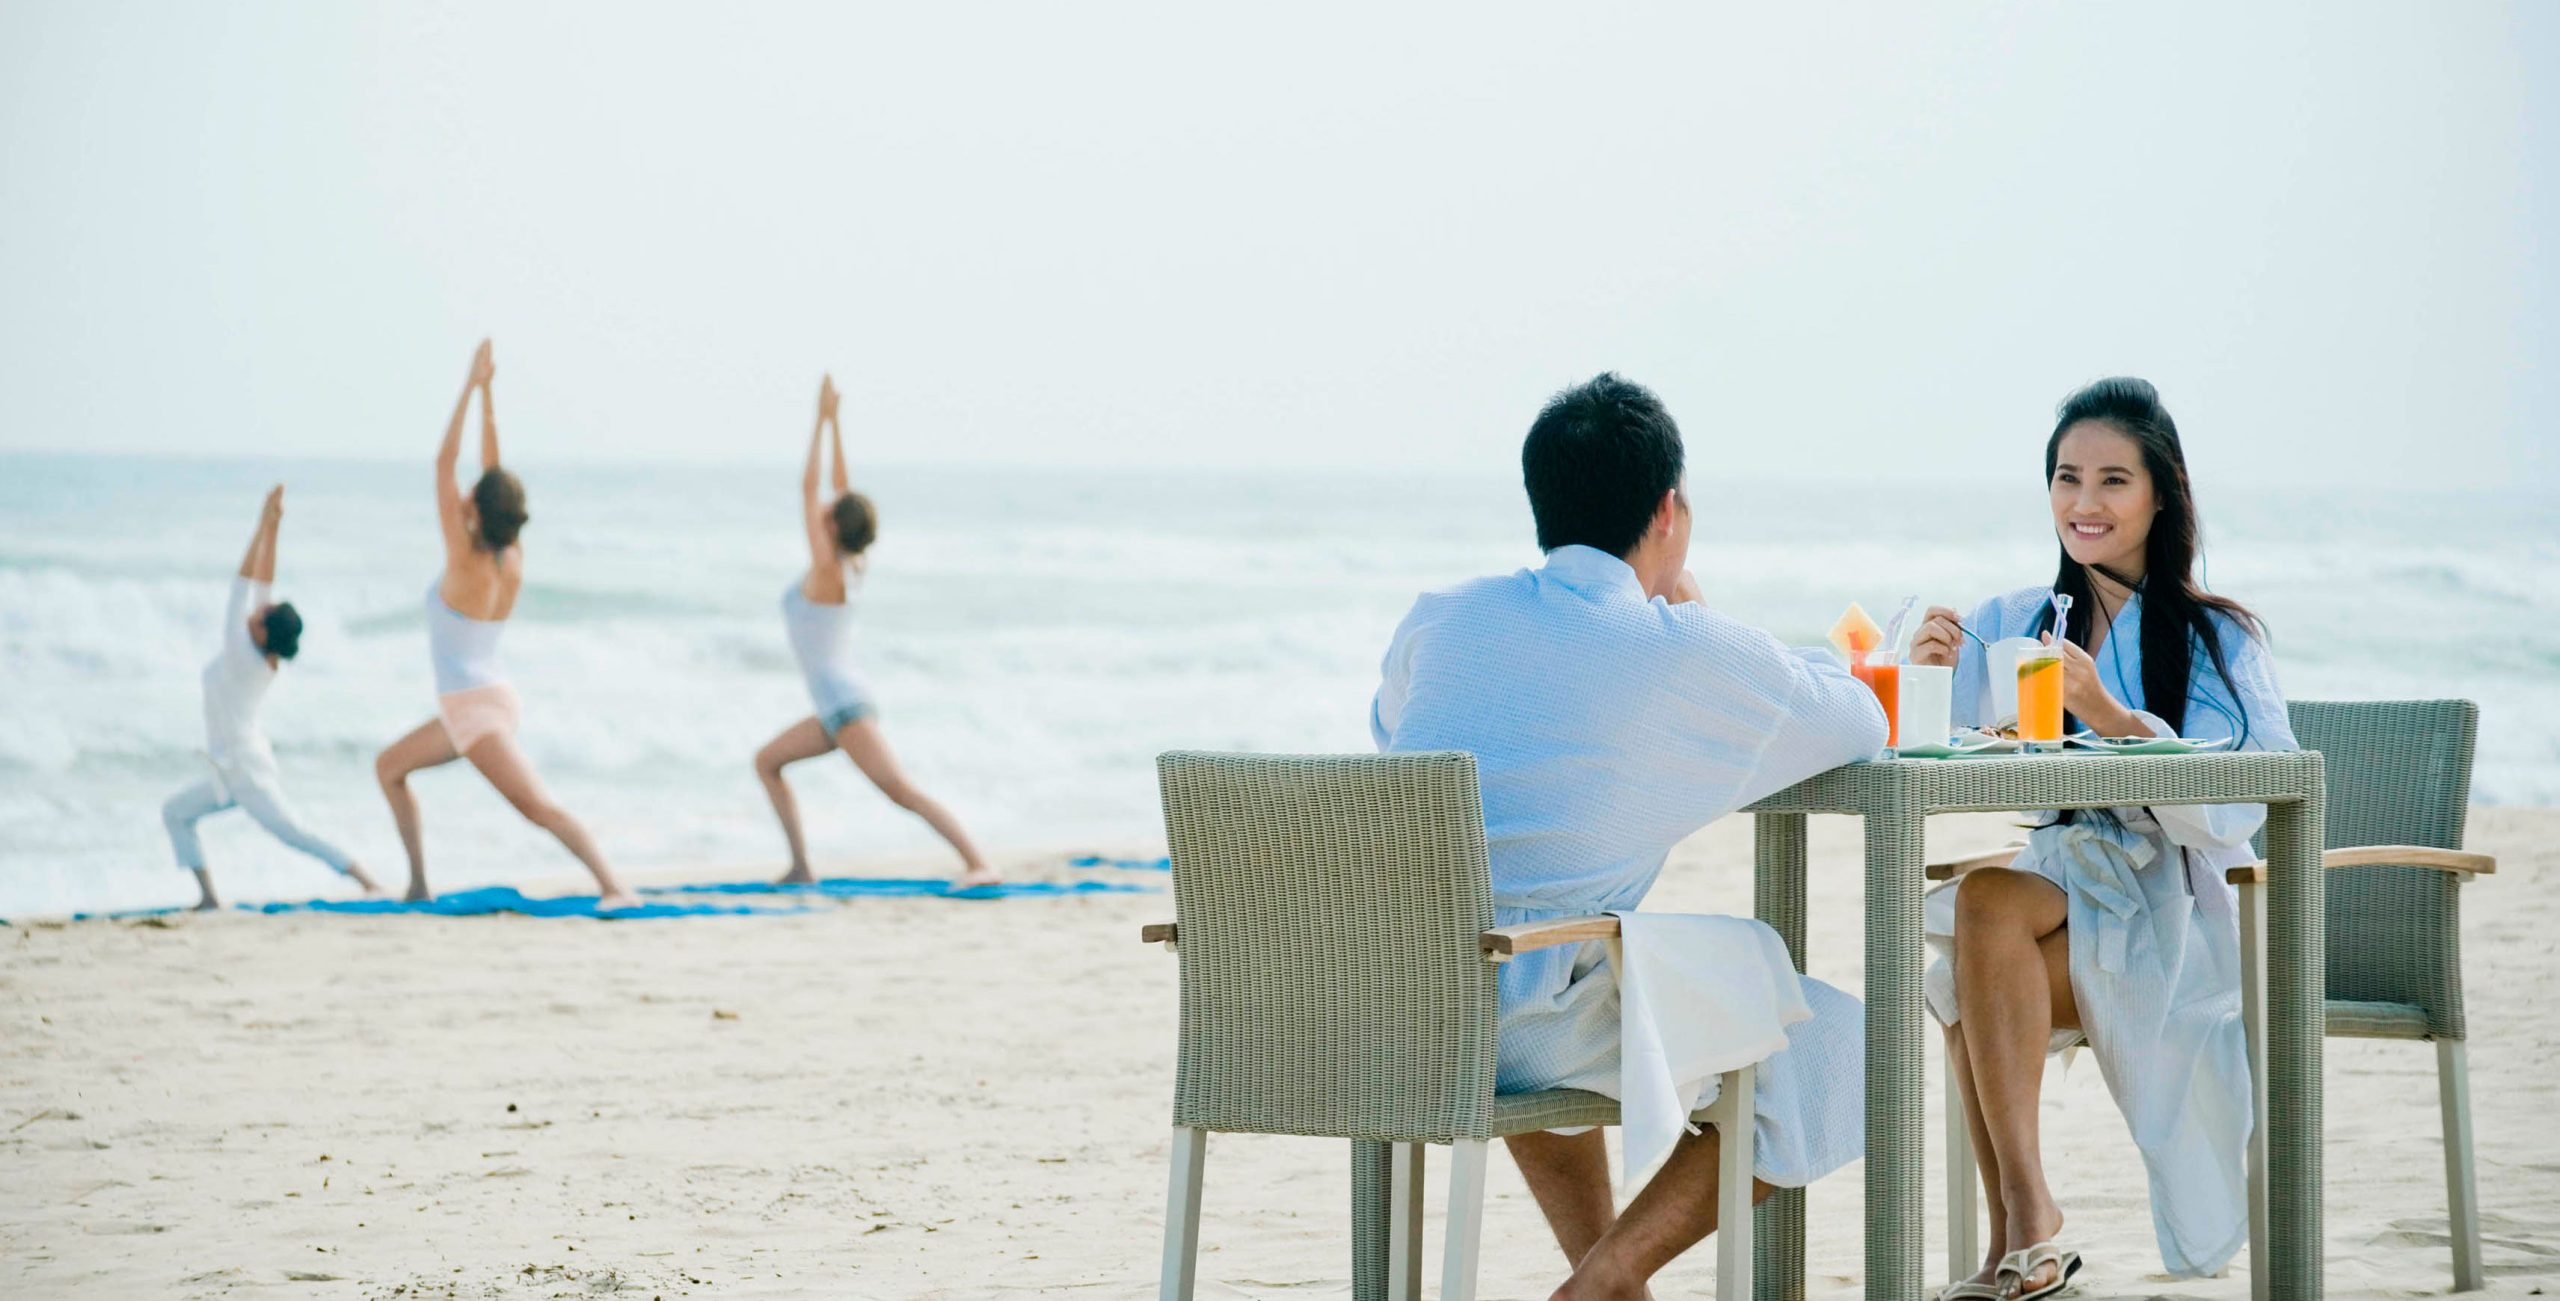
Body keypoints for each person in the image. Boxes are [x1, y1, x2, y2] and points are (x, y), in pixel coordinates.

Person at [1370, 374, 1886, 1301]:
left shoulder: (1441, 616)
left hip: (1401, 1001)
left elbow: (1394, 740)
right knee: (1852, 1045)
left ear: (1541, 500)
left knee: (1549, 943)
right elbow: (1858, 720)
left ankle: (1607, 1281)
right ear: (1667, 511)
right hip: (1528, 1016)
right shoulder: (1683, 647)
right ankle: (1609, 1277)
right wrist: (1694, 612)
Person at [1907, 377, 2295, 1299]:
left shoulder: (2216, 637)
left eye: (2114, 479)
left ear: (2162, 493)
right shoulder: (2018, 621)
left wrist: (2114, 716)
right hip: (2065, 883)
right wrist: (1920, 669)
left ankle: (2018, 1231)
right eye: (2067, 478)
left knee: (1970, 963)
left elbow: (2251, 793)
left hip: (2177, 906)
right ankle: (2029, 1225)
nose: (2085, 501)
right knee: (1983, 907)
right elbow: (1934, 736)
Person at [372, 341, 639, 909]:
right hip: (480, 701)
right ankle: (418, 884)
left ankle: (614, 884)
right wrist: (489, 393)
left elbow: (443, 465)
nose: (464, 492)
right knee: (389, 767)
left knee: (537, 808)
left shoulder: (464, 558)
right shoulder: (510, 557)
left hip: (474, 710)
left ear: (476, 509)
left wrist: (469, 387)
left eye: (472, 494)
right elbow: (490, 473)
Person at [751, 375, 998, 888]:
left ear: (833, 529)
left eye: (827, 515)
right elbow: (841, 491)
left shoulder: (828, 572)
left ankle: (979, 863)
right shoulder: (851, 563)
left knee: (900, 790)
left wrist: (818, 420)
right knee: (767, 762)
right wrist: (836, 421)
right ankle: (801, 867)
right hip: (834, 705)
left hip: (845, 708)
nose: (821, 510)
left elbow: (809, 489)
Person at [160, 486, 383, 910]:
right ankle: (208, 897)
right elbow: (263, 584)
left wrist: (259, 525)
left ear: (263, 631)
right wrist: (273, 526)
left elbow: (241, 587)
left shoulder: (240, 655)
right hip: (227, 769)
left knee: (294, 832)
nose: (255, 609)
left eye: (261, 613)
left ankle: (366, 879)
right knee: (175, 813)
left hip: (246, 772)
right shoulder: (257, 651)